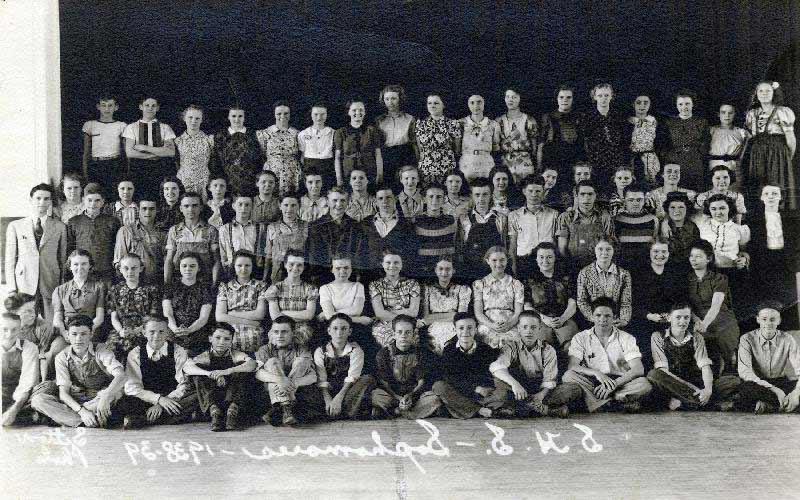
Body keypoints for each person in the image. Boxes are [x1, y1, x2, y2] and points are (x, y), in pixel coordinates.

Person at [30, 315, 126, 428]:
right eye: (74, 334)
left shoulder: (101, 350)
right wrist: (82, 411)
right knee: (37, 400)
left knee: (115, 394)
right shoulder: (62, 357)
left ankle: (66, 419)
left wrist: (105, 396)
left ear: (91, 334)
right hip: (76, 399)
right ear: (67, 335)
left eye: (83, 334)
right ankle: (89, 421)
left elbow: (121, 376)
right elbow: (63, 393)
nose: (78, 339)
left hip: (98, 398)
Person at [562, 297, 652, 413]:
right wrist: (596, 373)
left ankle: (601, 402)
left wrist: (615, 384)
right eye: (598, 315)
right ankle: (613, 404)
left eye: (607, 316)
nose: (602, 319)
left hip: (620, 382)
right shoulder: (581, 337)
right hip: (593, 382)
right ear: (592, 317)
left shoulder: (626, 338)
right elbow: (572, 365)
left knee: (645, 384)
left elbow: (638, 369)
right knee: (568, 375)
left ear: (614, 317)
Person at [647, 303, 740, 411]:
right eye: (678, 317)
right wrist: (693, 389)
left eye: (686, 317)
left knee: (732, 381)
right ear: (669, 318)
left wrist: (708, 390)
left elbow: (705, 367)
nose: (682, 322)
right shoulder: (658, 336)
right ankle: (705, 404)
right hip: (673, 384)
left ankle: (687, 403)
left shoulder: (696, 337)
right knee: (654, 374)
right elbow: (662, 370)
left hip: (695, 380)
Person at [487, 311, 582, 417]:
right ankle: (545, 410)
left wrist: (541, 395)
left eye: (533, 327)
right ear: (518, 328)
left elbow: (549, 379)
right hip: (518, 390)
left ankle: (522, 408)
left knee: (573, 389)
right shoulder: (510, 347)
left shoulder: (548, 349)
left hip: (539, 389)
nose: (529, 331)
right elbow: (497, 367)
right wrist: (515, 384)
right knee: (500, 385)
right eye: (525, 327)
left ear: (539, 329)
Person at [117, 316, 198, 429]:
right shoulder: (135, 353)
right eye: (152, 332)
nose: (157, 336)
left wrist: (163, 403)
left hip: (172, 399)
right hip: (146, 399)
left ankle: (142, 420)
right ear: (144, 332)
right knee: (124, 401)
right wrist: (158, 399)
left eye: (161, 332)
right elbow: (132, 387)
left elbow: (183, 384)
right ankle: (166, 418)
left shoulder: (178, 351)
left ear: (167, 333)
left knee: (195, 396)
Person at [5, 183, 68, 322]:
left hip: (50, 281)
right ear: (31, 200)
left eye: (46, 199)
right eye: (38, 198)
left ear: (51, 201)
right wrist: (12, 289)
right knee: (24, 324)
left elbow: (62, 259)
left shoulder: (60, 226)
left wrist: (62, 285)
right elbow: (10, 260)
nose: (42, 202)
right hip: (24, 284)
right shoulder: (16, 226)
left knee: (51, 324)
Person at [183, 323, 257, 432]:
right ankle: (214, 412)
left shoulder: (235, 354)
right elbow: (187, 367)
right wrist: (210, 374)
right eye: (218, 338)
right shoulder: (204, 356)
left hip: (232, 395)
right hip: (212, 397)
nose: (222, 342)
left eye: (227, 339)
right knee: (198, 372)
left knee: (242, 367)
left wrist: (227, 371)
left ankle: (232, 410)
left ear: (231, 341)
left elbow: (252, 364)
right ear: (210, 339)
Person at [371, 315, 441, 419]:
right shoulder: (383, 353)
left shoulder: (421, 353)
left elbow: (421, 382)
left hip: (414, 396)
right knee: (375, 396)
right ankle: (408, 411)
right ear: (394, 334)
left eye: (408, 332)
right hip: (393, 395)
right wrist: (398, 398)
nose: (403, 336)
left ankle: (396, 412)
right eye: (399, 332)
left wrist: (410, 396)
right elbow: (384, 382)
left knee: (434, 398)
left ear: (413, 334)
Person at [687, 239, 741, 376]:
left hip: (721, 317)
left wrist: (705, 323)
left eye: (698, 256)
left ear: (708, 258)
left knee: (722, 336)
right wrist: (697, 320)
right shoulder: (686, 280)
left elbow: (716, 306)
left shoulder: (719, 278)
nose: (694, 260)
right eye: (691, 256)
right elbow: (687, 305)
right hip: (696, 318)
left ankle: (731, 366)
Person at [255, 317, 321, 426]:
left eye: (284, 332)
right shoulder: (265, 349)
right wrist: (281, 380)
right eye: (276, 332)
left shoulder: (301, 349)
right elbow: (258, 373)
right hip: (271, 391)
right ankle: (286, 406)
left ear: (293, 333)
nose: (280, 335)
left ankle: (283, 407)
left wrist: (293, 383)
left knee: (302, 361)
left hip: (296, 390)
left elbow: (313, 376)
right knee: (272, 362)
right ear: (271, 333)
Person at [432, 313, 499, 419]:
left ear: (476, 329)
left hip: (481, 393)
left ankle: (462, 409)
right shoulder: (449, 350)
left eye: (470, 328)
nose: (465, 332)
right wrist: (475, 388)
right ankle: (479, 410)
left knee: (502, 393)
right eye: (461, 328)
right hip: (461, 390)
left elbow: (488, 375)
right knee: (439, 387)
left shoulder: (485, 349)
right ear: (455, 330)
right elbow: (450, 377)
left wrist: (483, 388)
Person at [629, 239, 683, 369]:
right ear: (649, 253)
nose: (660, 255)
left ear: (669, 254)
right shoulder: (639, 274)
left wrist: (672, 315)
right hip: (645, 319)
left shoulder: (674, 273)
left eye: (664, 251)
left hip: (670, 320)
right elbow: (633, 302)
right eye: (656, 251)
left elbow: (681, 299)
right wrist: (649, 315)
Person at [737, 303, 800, 414]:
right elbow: (745, 372)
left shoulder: (788, 339)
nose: (768, 323)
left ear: (779, 320)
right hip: (759, 384)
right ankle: (783, 405)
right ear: (758, 320)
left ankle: (769, 406)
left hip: (781, 382)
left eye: (772, 319)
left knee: (797, 390)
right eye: (764, 319)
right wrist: (774, 390)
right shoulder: (746, 339)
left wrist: (795, 394)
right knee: (745, 388)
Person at [313, 314, 376, 420]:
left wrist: (338, 398)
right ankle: (331, 409)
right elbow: (321, 379)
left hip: (347, 391)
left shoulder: (356, 350)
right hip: (328, 390)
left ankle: (341, 411)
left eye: (343, 328)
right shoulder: (320, 351)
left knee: (367, 379)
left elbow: (352, 377)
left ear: (349, 331)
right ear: (329, 331)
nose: (339, 333)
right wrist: (328, 399)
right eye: (335, 328)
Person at [745, 81, 796, 208]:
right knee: (759, 182)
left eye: (768, 91)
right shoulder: (752, 114)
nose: (764, 94)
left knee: (776, 182)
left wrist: (787, 158)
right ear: (756, 94)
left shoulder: (783, 111)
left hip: (777, 152)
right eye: (761, 91)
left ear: (774, 93)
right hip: (757, 153)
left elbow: (790, 139)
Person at [524, 242, 579, 354]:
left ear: (555, 258)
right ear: (536, 258)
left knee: (572, 347)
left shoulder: (566, 276)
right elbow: (527, 306)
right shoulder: (529, 279)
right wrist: (544, 319)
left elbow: (572, 303)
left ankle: (572, 370)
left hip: (564, 319)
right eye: (541, 257)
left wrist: (563, 318)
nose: (545, 261)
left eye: (549, 257)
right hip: (539, 319)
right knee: (542, 348)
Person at [305, 187, 367, 284]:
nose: (339, 204)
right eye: (335, 200)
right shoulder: (315, 226)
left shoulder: (356, 226)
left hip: (349, 277)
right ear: (328, 202)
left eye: (343, 200)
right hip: (323, 278)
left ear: (347, 202)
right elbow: (314, 257)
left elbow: (359, 255)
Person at [697, 194, 750, 308]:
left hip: (732, 273)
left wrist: (744, 259)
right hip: (709, 272)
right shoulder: (702, 227)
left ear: (729, 208)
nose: (718, 212)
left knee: (732, 306)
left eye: (722, 208)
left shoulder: (739, 229)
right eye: (714, 209)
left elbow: (744, 252)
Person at [106, 254, 162, 360]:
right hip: (122, 331)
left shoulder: (151, 289)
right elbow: (114, 317)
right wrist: (120, 331)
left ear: (140, 268)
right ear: (120, 269)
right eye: (126, 268)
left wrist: (136, 331)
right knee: (109, 353)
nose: (130, 272)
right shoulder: (115, 290)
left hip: (145, 331)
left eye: (134, 268)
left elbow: (153, 317)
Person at [123, 96, 177, 201]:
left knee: (160, 199)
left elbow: (171, 152)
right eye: (147, 105)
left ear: (157, 108)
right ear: (141, 107)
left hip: (160, 169)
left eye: (153, 106)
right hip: (138, 170)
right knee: (140, 199)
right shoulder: (132, 127)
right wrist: (156, 153)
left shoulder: (165, 127)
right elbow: (130, 152)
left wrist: (143, 147)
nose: (150, 108)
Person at [67, 182, 121, 285]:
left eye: (97, 200)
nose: (93, 204)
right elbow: (70, 248)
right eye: (89, 200)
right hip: (82, 271)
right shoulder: (74, 222)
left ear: (103, 202)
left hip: (106, 272)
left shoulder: (112, 221)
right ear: (83, 200)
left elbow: (117, 247)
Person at [216, 251, 268, 354]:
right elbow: (220, 317)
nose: (243, 269)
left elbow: (260, 314)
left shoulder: (260, 286)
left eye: (247, 265)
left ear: (253, 266)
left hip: (253, 329)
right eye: (239, 265)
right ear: (234, 267)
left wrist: (232, 314)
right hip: (232, 327)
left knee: (254, 337)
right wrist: (251, 322)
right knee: (228, 339)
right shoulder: (225, 287)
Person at [164, 191, 221, 285]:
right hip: (179, 282)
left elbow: (216, 261)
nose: (190, 209)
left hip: (204, 282)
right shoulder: (174, 230)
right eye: (186, 206)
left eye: (194, 205)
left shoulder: (211, 230)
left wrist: (214, 284)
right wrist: (167, 285)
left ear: (201, 207)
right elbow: (169, 260)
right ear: (181, 208)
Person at [556, 180, 615, 271]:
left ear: (595, 196)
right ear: (576, 196)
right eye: (582, 194)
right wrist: (570, 268)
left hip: (599, 267)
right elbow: (562, 248)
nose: (586, 198)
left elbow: (609, 244)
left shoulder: (604, 217)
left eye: (590, 194)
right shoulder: (566, 217)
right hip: (573, 267)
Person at [162, 253, 214, 356]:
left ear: (198, 268)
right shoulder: (170, 287)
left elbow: (203, 318)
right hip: (173, 329)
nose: (188, 269)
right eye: (184, 266)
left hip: (197, 330)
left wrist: (189, 330)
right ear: (179, 267)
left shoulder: (205, 289)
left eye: (192, 266)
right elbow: (168, 313)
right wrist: (175, 329)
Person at [361, 184, 416, 280]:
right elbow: (360, 252)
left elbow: (411, 254)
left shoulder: (406, 224)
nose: (384, 201)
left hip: (399, 277)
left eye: (388, 198)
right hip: (370, 276)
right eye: (380, 198)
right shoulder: (366, 223)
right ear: (376, 202)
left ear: (395, 199)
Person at [265, 250, 319, 346]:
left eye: (299, 265)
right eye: (291, 264)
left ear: (303, 267)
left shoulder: (310, 289)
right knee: (275, 339)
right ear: (285, 265)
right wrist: (299, 315)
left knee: (298, 337)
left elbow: (309, 315)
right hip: (279, 327)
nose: (295, 268)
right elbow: (275, 317)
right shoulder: (275, 288)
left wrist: (283, 313)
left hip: (302, 328)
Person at [458, 178, 507, 283]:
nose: (481, 199)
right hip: (471, 272)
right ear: (472, 196)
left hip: (495, 272)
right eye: (477, 195)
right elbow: (461, 247)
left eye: (485, 194)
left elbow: (504, 245)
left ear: (491, 195)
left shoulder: (501, 218)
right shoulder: (464, 219)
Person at [473, 246, 524, 348]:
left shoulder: (516, 284)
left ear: (507, 261)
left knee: (513, 341)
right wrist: (491, 325)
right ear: (487, 261)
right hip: (487, 324)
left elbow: (519, 311)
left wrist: (509, 325)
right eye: (494, 260)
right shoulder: (479, 284)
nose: (498, 264)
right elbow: (478, 312)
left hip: (510, 323)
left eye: (502, 260)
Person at [419, 257, 472, 355]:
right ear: (435, 270)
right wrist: (453, 313)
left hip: (454, 327)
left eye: (448, 269)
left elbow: (460, 316)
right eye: (441, 269)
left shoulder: (462, 290)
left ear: (453, 271)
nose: (444, 272)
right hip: (433, 328)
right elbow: (426, 318)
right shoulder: (427, 290)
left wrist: (434, 317)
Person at [508, 175, 558, 279]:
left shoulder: (554, 215)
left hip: (547, 263)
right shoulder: (514, 216)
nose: (534, 195)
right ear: (524, 191)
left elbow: (557, 243)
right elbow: (513, 247)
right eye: (530, 191)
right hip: (524, 263)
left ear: (543, 191)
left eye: (538, 191)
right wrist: (514, 271)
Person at [576, 238, 633, 329]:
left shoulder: (623, 274)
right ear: (594, 250)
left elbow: (625, 302)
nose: (604, 252)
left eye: (608, 249)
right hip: (592, 322)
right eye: (600, 249)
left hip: (615, 321)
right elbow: (582, 301)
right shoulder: (584, 273)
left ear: (614, 251)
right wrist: (594, 318)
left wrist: (623, 320)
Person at [581, 83, 627, 194]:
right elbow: (584, 140)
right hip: (596, 162)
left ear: (611, 96)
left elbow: (624, 140)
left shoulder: (618, 116)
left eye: (606, 95)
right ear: (594, 97)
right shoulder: (587, 117)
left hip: (616, 161)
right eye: (600, 95)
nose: (603, 99)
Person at [369, 250, 421, 347]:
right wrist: (405, 311)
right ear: (382, 264)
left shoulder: (412, 284)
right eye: (388, 263)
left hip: (408, 323)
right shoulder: (375, 285)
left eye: (396, 262)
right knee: (390, 342)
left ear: (401, 265)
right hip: (384, 324)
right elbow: (380, 313)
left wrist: (390, 310)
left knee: (411, 342)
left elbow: (414, 312)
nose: (392, 266)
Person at [209, 105, 263, 199]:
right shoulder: (220, 136)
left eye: (240, 116)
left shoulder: (253, 135)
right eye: (233, 116)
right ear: (228, 117)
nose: (237, 119)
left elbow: (259, 160)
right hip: (227, 185)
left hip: (249, 184)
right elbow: (215, 161)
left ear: (244, 117)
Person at [410, 92, 461, 186]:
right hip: (426, 167)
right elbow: (419, 147)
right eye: (429, 103)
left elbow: (457, 149)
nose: (432, 106)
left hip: (447, 165)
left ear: (443, 105)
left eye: (436, 103)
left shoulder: (453, 123)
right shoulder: (420, 124)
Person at [52, 250, 105, 340]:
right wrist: (65, 333)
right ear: (70, 267)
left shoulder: (99, 287)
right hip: (66, 334)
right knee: (55, 351)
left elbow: (100, 317)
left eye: (84, 264)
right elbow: (57, 319)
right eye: (76, 264)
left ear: (90, 266)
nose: (80, 268)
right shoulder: (60, 290)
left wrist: (86, 332)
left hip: (90, 333)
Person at [664, 89, 710, 192]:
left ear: (692, 104)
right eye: (680, 104)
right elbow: (665, 143)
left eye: (687, 104)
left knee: (697, 191)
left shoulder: (701, 122)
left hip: (696, 161)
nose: (684, 107)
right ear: (676, 106)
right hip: (675, 161)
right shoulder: (670, 123)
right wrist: (670, 157)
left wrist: (698, 154)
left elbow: (706, 141)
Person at [258, 191, 309, 284]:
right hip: (278, 274)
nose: (289, 209)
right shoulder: (272, 227)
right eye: (286, 205)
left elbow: (310, 251)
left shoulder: (305, 226)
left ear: (298, 206)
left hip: (299, 273)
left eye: (293, 205)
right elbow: (268, 255)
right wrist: (265, 278)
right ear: (280, 206)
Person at [113, 196, 165, 285]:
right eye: (144, 208)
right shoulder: (126, 231)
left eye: (151, 209)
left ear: (157, 210)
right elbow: (118, 261)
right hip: (133, 283)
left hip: (157, 282)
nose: (148, 212)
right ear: (138, 210)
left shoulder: (162, 233)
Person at [5, 293, 56, 382]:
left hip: (35, 371)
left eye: (33, 309)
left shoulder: (43, 327)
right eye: (27, 311)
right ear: (14, 313)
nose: (33, 314)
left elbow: (43, 358)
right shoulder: (5, 328)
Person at [0, 312, 40, 426]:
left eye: (14, 330)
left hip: (22, 395)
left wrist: (14, 409)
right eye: (4, 329)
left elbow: (27, 382)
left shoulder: (29, 347)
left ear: (20, 329)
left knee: (38, 399)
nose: (9, 334)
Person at [538, 84, 583, 181]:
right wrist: (539, 167)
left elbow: (583, 143)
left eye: (568, 97)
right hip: (552, 162)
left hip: (573, 161)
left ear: (573, 99)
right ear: (557, 99)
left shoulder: (579, 117)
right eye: (561, 97)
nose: (565, 100)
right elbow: (541, 144)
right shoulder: (548, 117)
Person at [81, 95, 126, 192]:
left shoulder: (121, 125)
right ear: (98, 107)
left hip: (114, 166)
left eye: (110, 105)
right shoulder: (90, 125)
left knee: (112, 195)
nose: (107, 109)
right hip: (96, 166)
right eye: (103, 105)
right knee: (95, 196)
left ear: (116, 107)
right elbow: (86, 153)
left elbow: (126, 152)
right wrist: (85, 174)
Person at [257, 101, 303, 196]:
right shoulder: (264, 133)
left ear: (290, 115)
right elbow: (261, 154)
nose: (282, 116)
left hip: (292, 173)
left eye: (286, 113)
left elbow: (301, 154)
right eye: (279, 113)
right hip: (272, 171)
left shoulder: (297, 134)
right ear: (274, 115)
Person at [334, 99, 384, 185]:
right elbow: (338, 157)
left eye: (361, 110)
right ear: (348, 112)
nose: (358, 113)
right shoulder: (341, 132)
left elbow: (378, 154)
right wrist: (339, 178)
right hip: (348, 173)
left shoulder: (372, 131)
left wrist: (379, 175)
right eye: (354, 110)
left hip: (369, 172)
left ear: (364, 112)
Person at [413, 184, 458, 279]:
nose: (434, 200)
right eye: (431, 197)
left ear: (444, 199)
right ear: (424, 199)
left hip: (445, 272)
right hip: (423, 270)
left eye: (439, 197)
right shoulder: (416, 221)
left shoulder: (451, 221)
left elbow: (454, 248)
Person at [376, 85, 416, 190]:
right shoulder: (379, 120)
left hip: (405, 155)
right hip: (387, 156)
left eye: (393, 98)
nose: (390, 102)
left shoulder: (410, 119)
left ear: (400, 99)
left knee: (405, 187)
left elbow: (415, 143)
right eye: (387, 99)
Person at [614, 183, 659, 273]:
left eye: (639, 200)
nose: (635, 203)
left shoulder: (653, 220)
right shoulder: (616, 220)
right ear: (624, 200)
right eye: (631, 200)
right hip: (622, 270)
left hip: (646, 270)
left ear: (644, 200)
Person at [496, 87, 538, 183]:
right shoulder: (499, 121)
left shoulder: (529, 119)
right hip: (505, 160)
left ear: (519, 98)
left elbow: (534, 145)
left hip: (524, 160)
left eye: (514, 97)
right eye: (508, 97)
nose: (510, 100)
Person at [625, 93, 668, 186]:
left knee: (651, 184)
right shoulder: (627, 122)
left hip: (651, 159)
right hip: (632, 159)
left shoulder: (655, 122)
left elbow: (661, 143)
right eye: (639, 102)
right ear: (633, 104)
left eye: (645, 103)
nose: (642, 106)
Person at [175, 104, 214, 197]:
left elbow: (214, 162)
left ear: (201, 120)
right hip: (183, 183)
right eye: (190, 117)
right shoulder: (177, 141)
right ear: (184, 118)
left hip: (204, 185)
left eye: (197, 118)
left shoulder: (209, 140)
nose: (193, 121)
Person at [458, 93, 500, 181]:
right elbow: (457, 147)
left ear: (484, 104)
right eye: (472, 103)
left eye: (479, 102)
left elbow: (495, 147)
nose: (476, 106)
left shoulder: (493, 124)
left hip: (486, 163)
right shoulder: (460, 123)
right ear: (468, 105)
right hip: (467, 162)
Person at [709, 103, 749, 193]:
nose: (727, 115)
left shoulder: (741, 132)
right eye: (723, 112)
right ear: (718, 114)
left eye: (730, 113)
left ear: (734, 114)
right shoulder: (711, 131)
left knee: (733, 193)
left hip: (734, 167)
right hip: (714, 166)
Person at [218, 194, 260, 279]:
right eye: (240, 204)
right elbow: (223, 255)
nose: (243, 208)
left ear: (252, 207)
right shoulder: (224, 229)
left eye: (247, 205)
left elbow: (261, 254)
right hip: (233, 271)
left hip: (254, 271)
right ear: (234, 206)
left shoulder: (259, 228)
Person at [658, 192, 699, 275]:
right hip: (665, 272)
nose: (677, 211)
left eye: (681, 207)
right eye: (672, 207)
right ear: (667, 209)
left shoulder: (693, 227)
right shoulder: (661, 227)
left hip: (689, 272)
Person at [298, 103, 336, 191]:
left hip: (327, 169)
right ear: (311, 115)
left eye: (322, 114)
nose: (319, 118)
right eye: (316, 114)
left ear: (327, 115)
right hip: (309, 169)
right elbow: (302, 155)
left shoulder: (333, 133)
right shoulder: (303, 134)